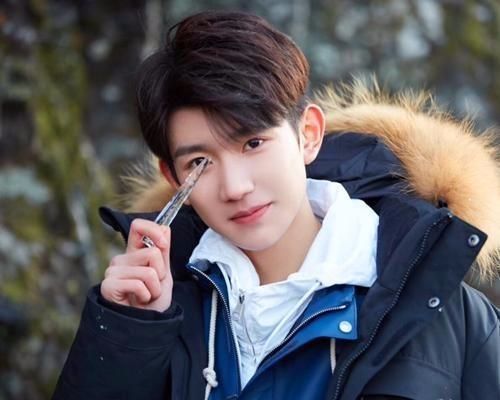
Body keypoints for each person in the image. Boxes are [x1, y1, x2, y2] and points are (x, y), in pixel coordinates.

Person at [52, 10, 500, 400]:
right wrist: (129, 333)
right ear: (173, 177)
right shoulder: (158, 311)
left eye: (253, 143)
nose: (235, 187)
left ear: (308, 134)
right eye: (200, 162)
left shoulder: (446, 314)